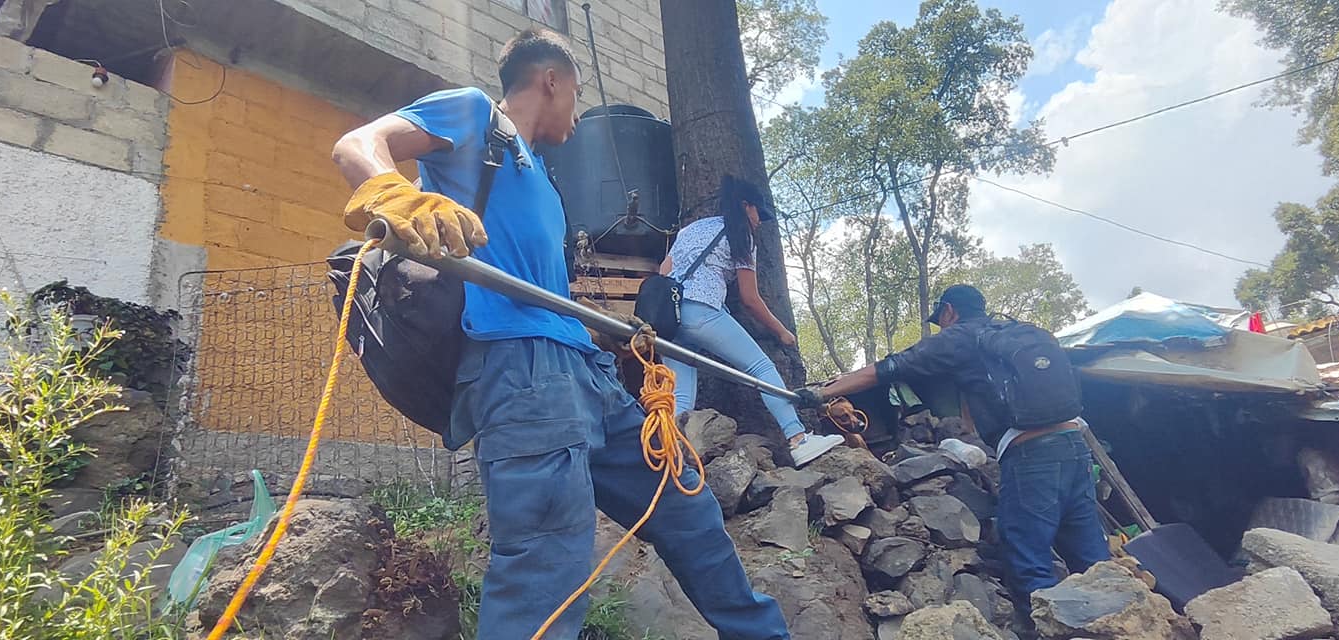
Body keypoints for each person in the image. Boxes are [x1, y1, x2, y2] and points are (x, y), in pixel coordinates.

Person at [331, 28, 789, 640]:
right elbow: (358, 144)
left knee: (687, 508)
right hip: (518, 372)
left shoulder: (542, 175)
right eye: (576, 94)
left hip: (586, 372)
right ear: (553, 80)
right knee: (546, 570)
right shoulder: (475, 116)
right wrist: (395, 194)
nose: (576, 115)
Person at [798, 284, 1110, 625]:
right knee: (1093, 560)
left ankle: (1048, 629)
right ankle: (1120, 621)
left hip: (1031, 453)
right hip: (1074, 446)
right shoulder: (1014, 332)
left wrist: (822, 393)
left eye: (940, 320)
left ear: (949, 311)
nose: (940, 327)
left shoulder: (960, 337)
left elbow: (889, 368)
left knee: (1028, 561)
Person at [658, 175, 844, 466]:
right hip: (702, 311)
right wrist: (781, 331)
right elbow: (749, 298)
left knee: (680, 398)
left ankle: (666, 459)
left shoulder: (691, 229)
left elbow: (663, 270)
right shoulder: (740, 234)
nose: (760, 221)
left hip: (669, 318)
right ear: (746, 206)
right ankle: (798, 439)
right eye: (759, 213)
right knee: (760, 368)